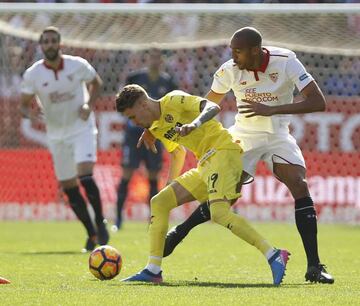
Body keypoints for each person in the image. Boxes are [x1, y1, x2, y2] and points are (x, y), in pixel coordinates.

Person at [146, 27, 334, 284]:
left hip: (278, 134)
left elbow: (318, 102)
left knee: (300, 186)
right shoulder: (229, 70)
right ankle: (180, 232)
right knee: (226, 196)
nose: (233, 56)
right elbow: (205, 106)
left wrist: (272, 110)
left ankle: (315, 266)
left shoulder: (286, 61)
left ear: (255, 50)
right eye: (232, 51)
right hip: (243, 136)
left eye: (238, 51)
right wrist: (156, 126)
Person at [116, 84, 290, 285]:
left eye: (133, 117)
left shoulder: (174, 100)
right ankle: (153, 270)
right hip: (205, 164)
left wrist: (195, 123)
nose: (134, 123)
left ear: (143, 105)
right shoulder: (156, 127)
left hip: (223, 152)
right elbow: (177, 153)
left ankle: (273, 254)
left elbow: (213, 107)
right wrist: (171, 184)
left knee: (219, 213)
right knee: (160, 201)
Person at [20, 26, 109, 252]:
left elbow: (96, 82)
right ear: (41, 46)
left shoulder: (77, 65)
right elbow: (23, 103)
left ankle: (100, 221)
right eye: (46, 42)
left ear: (60, 44)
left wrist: (89, 104)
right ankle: (91, 233)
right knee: (69, 187)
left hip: (81, 128)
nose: (50, 45)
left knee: (86, 176)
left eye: (53, 41)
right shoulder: (33, 74)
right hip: (56, 135)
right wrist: (28, 112)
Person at [113, 49, 177, 231]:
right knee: (126, 174)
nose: (155, 60)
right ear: (147, 58)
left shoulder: (169, 82)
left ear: (162, 60)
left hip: (155, 134)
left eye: (158, 57)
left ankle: (153, 220)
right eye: (152, 56)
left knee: (153, 177)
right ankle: (117, 220)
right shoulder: (134, 79)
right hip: (133, 135)